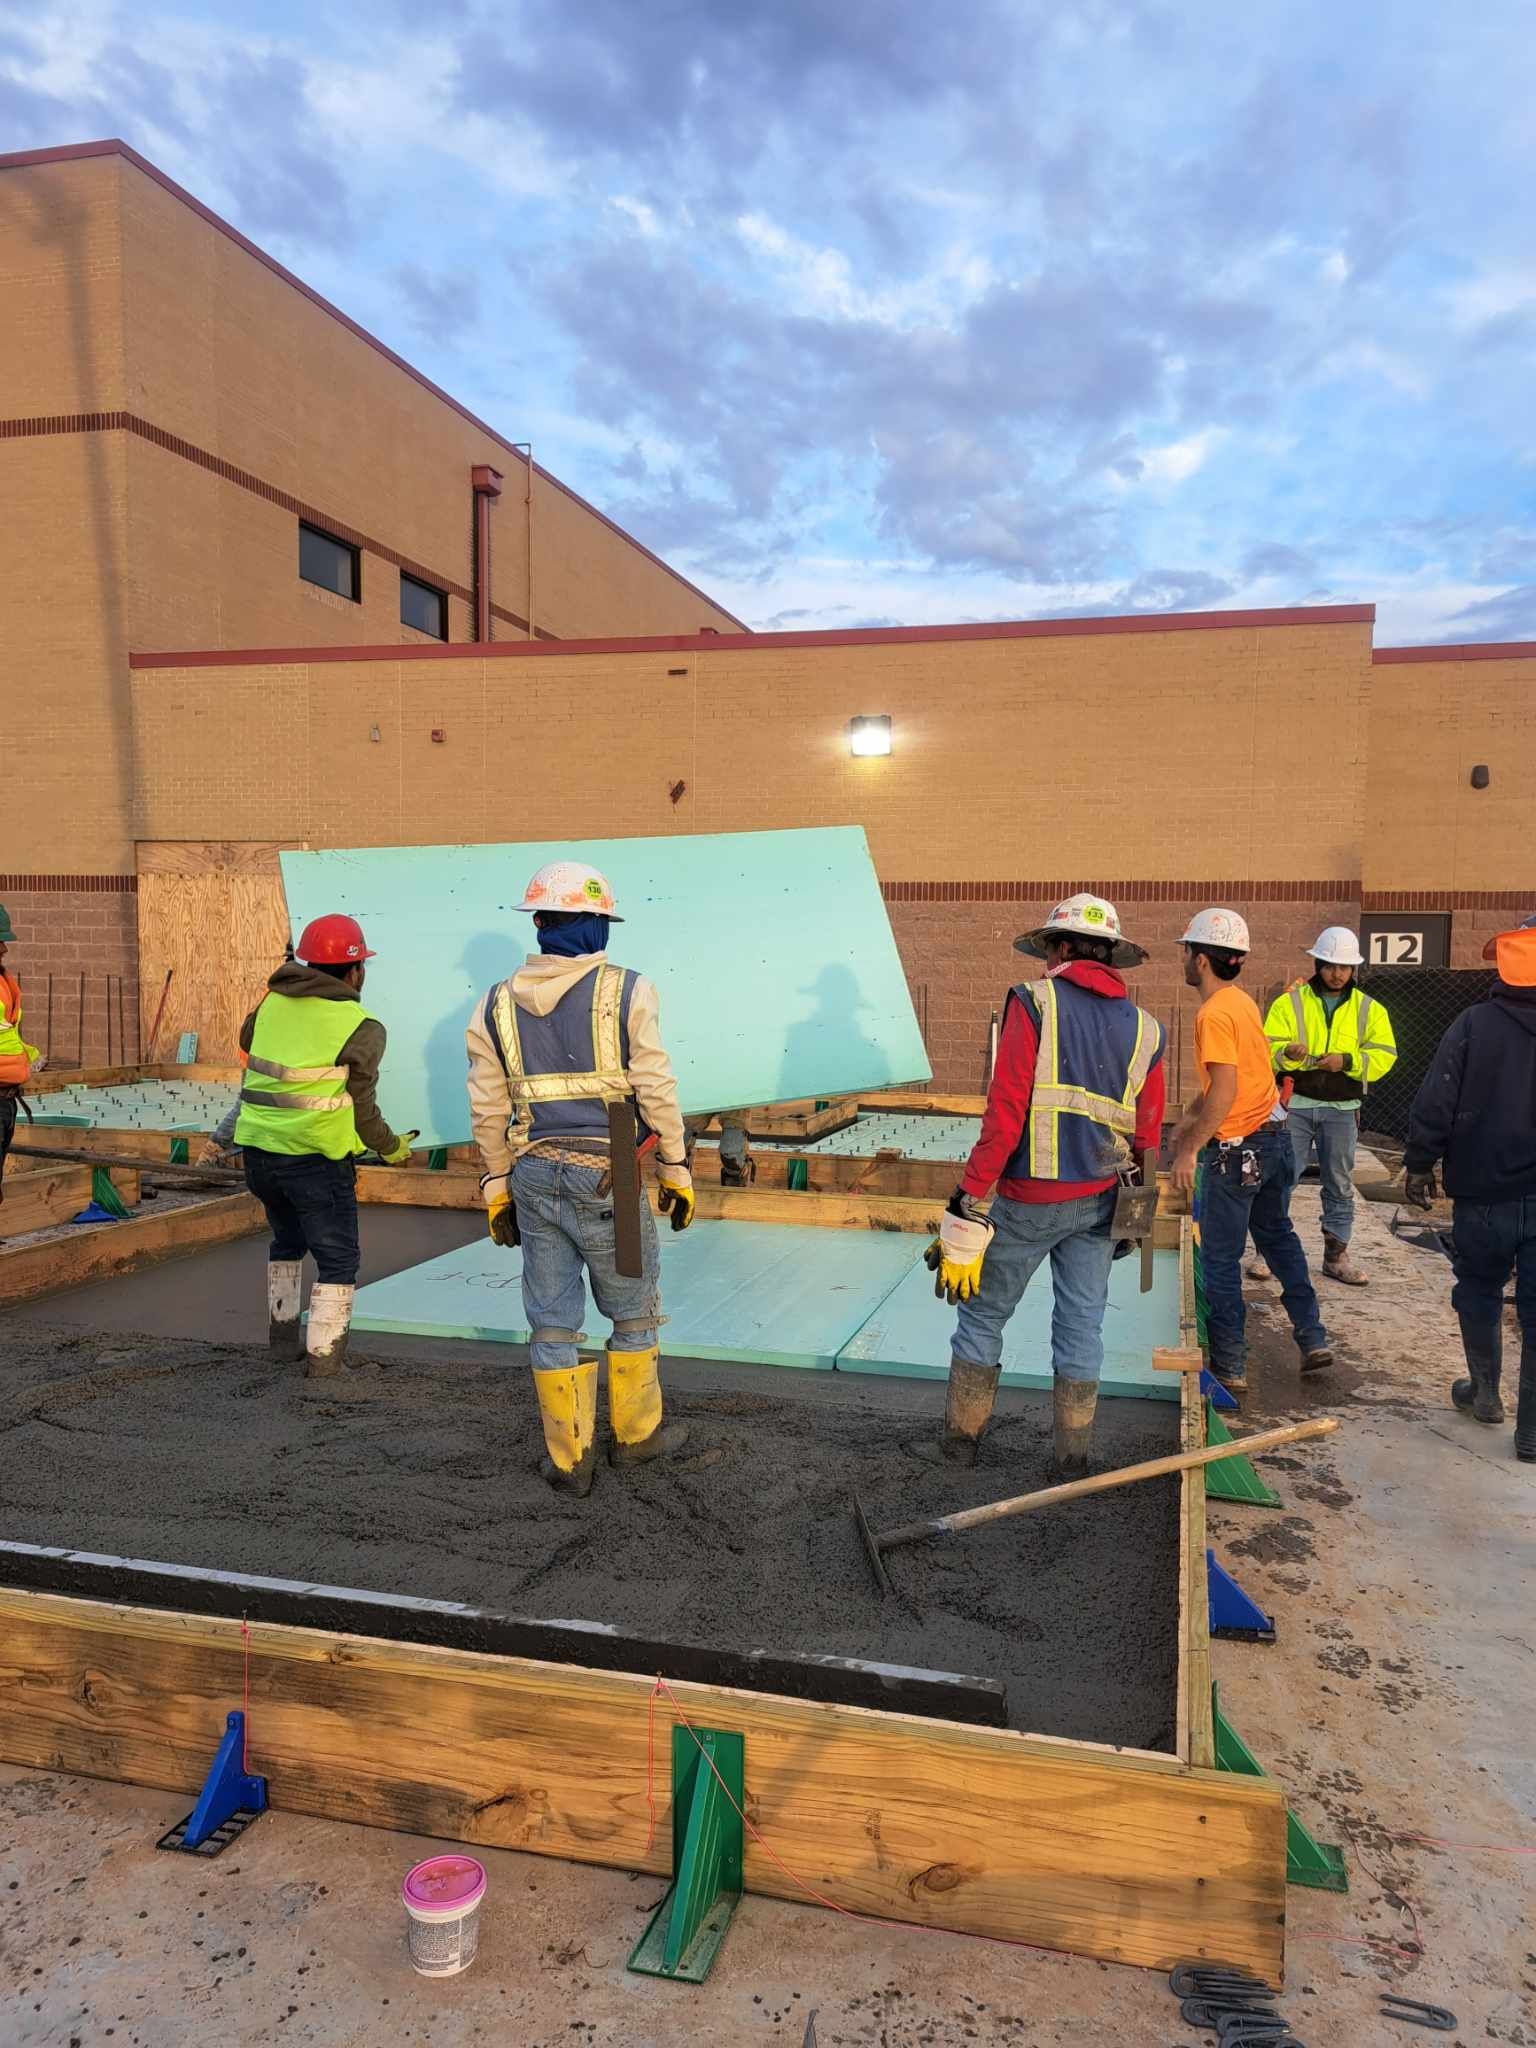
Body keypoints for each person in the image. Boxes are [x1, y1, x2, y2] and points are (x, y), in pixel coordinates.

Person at [465, 860, 697, 1497]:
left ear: (538, 923)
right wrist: (675, 1168)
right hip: (612, 1176)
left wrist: (496, 1185)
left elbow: (487, 1107)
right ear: (600, 927)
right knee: (633, 1313)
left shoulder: (492, 1004)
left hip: (535, 1173)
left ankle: (569, 1459)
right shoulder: (629, 990)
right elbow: (655, 1086)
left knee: (552, 1321)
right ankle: (637, 1439)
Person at [922, 894, 1165, 1479]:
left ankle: (960, 1448)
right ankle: (1072, 1456)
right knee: (1083, 1326)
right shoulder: (1147, 1028)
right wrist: (1138, 1218)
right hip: (1101, 1206)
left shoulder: (1033, 1004)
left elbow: (1005, 1114)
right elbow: (1148, 1133)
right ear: (1109, 956)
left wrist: (968, 1198)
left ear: (1058, 949)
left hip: (1028, 1201)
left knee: (982, 1318)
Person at [231, 915, 415, 1376]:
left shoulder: (270, 1004)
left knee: (287, 1241)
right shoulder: (361, 1026)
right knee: (338, 1258)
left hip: (258, 1156)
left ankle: (281, 1343)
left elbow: (247, 1040)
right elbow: (364, 1110)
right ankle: (326, 1366)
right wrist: (391, 1147)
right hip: (313, 1161)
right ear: (356, 971)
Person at [1169, 909, 1332, 1393]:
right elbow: (1237, 1077)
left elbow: (1225, 1091)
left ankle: (1231, 1367)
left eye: (1185, 952)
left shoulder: (1213, 1013)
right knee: (1279, 1237)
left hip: (1238, 1152)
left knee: (1220, 1258)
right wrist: (1190, 1116)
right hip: (1276, 1139)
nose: (1183, 959)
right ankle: (1312, 1336)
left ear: (1201, 960)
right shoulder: (1239, 1003)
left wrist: (1188, 1150)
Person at [1403, 911, 1536, 1460]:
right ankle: (1531, 1429)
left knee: (1479, 1288)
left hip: (1484, 1193)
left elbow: (1439, 1099)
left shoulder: (1474, 1025)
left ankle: (1484, 1393)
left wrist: (1419, 1162)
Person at [1250, 927, 1398, 1287]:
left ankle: (1336, 1255)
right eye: (1331, 965)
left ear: (1353, 970)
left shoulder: (1369, 1009)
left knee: (1339, 1182)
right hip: (1296, 1104)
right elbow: (1265, 1046)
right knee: (1282, 1177)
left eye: (1344, 967)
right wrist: (1287, 1053)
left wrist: (1347, 1061)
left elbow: (1385, 1055)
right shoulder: (1290, 1003)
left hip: (1342, 1108)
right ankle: (1266, 1252)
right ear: (1318, 963)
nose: (1337, 973)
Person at [0, 902, 44, 1201]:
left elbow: (7, 1035)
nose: (4, 949)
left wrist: (30, 1056)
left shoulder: (4, 983)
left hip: (5, 1097)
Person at [683, 1109, 755, 1185]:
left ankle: (736, 1186)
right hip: (699, 1099)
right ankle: (680, 1177)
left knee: (731, 1155)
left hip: (735, 1101)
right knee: (677, 1144)